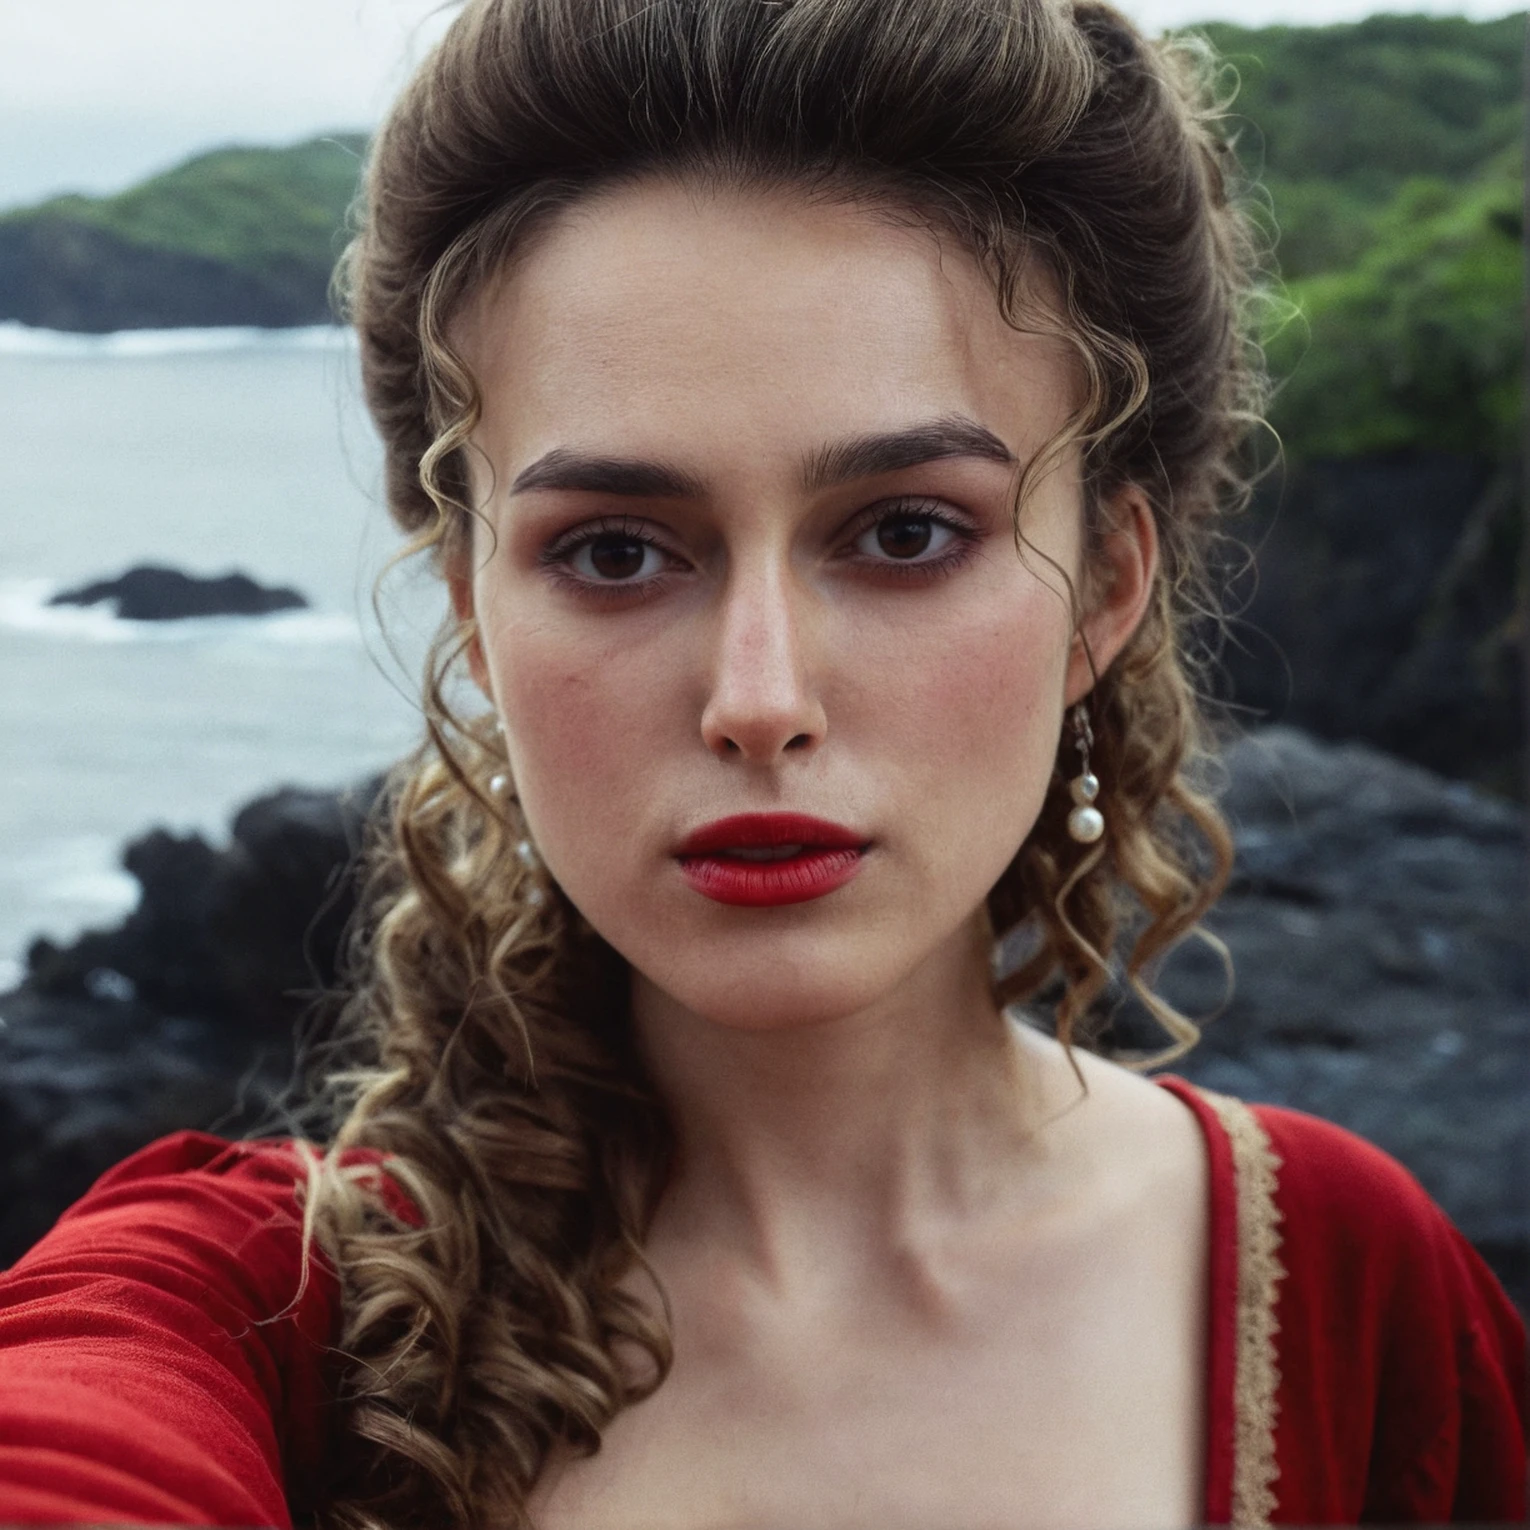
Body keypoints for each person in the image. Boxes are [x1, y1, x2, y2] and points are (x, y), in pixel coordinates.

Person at [0, 0, 1523, 1525]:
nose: (758, 697)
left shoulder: (1346, 1293)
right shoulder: (243, 1322)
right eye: (613, 549)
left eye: (905, 531)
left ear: (1108, 585)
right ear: (471, 604)